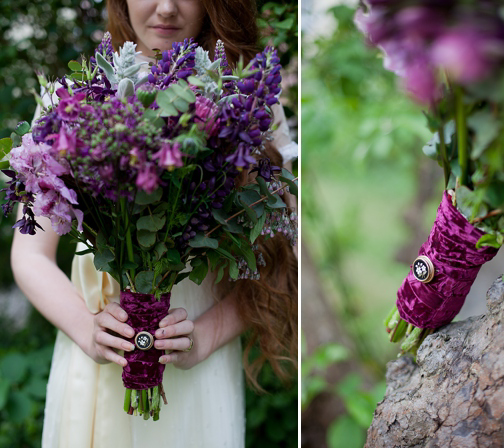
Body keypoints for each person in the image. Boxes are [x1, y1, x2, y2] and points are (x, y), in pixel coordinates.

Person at [10, 0, 298, 446]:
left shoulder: (244, 101)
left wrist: (205, 337)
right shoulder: (73, 97)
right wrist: (87, 329)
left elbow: (281, 255)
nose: (166, 8)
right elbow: (30, 255)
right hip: (99, 353)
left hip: (197, 360)